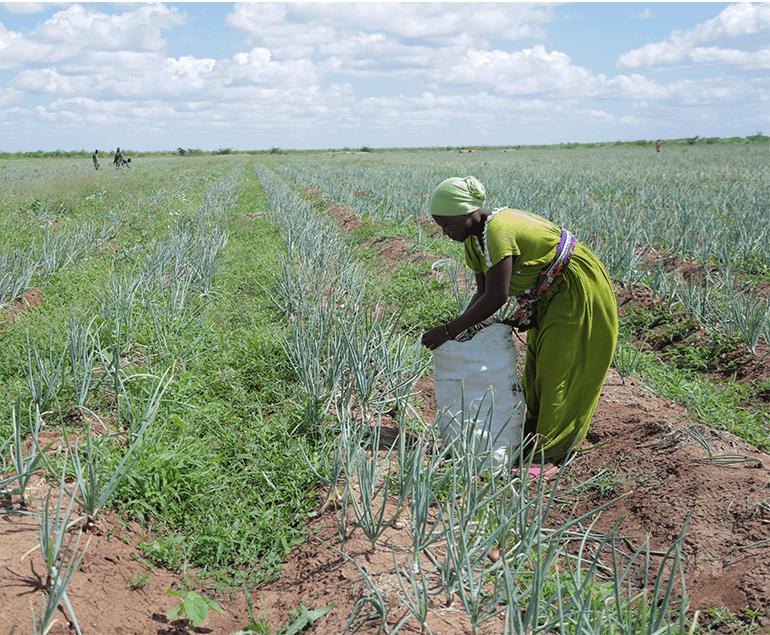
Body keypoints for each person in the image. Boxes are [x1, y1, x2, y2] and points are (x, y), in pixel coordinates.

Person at [421, 176, 618, 465]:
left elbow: (497, 298)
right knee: (537, 365)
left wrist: (450, 330)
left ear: (465, 213)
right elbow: (482, 292)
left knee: (559, 370)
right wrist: (462, 329)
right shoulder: (475, 241)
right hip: (548, 293)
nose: (444, 232)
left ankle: (551, 454)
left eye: (446, 224)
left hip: (575, 288)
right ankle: (535, 435)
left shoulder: (498, 230)